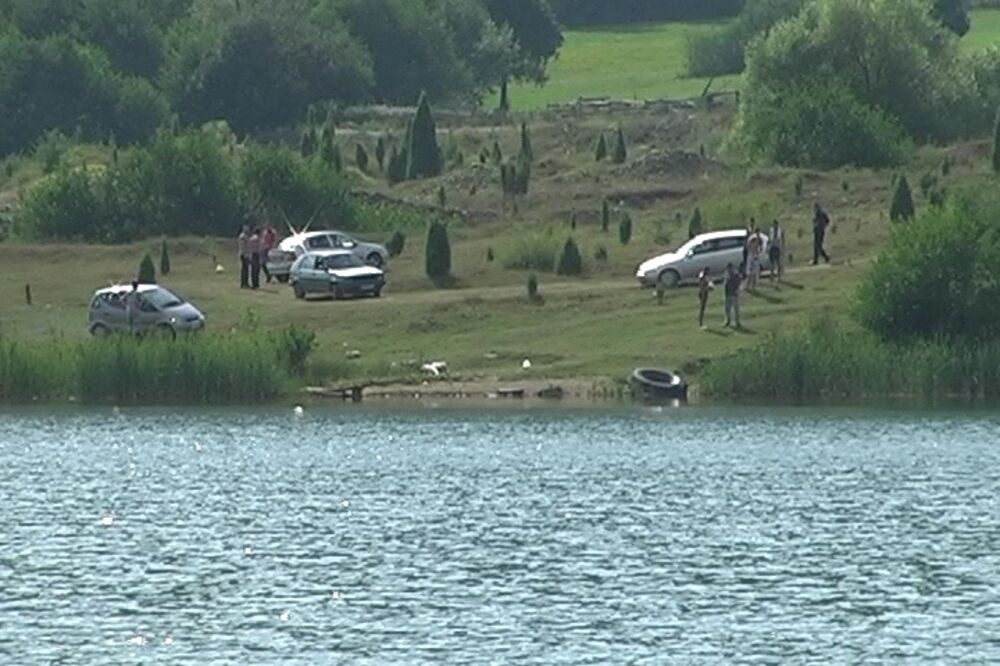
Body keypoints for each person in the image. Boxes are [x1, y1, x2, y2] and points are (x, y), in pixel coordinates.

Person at [723, 263, 742, 330]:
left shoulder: (735, 275)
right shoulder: (726, 275)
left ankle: (737, 322)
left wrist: (737, 289)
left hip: (734, 294)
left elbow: (739, 282)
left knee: (736, 309)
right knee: (727, 309)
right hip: (727, 294)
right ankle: (727, 321)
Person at [746, 226, 763, 291]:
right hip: (751, 257)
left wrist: (758, 252)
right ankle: (748, 286)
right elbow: (748, 246)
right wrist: (752, 252)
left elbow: (760, 248)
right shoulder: (752, 238)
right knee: (750, 273)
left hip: (756, 257)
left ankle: (753, 287)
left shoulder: (760, 239)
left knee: (754, 273)